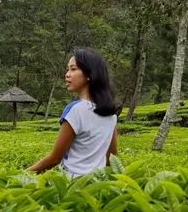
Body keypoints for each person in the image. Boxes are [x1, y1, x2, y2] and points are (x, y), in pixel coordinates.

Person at [26, 48, 119, 178]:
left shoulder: (75, 110)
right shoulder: (111, 114)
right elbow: (112, 157)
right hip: (97, 183)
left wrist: (22, 175)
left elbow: (55, 158)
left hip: (73, 185)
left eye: (73, 69)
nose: (67, 74)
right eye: (67, 69)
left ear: (89, 74)